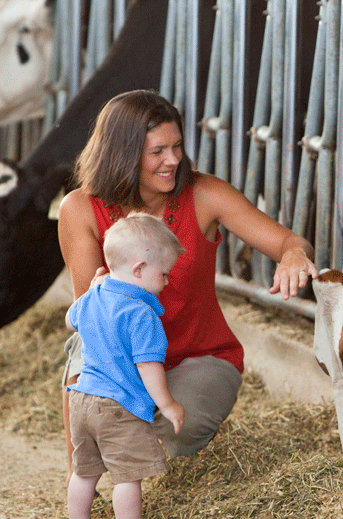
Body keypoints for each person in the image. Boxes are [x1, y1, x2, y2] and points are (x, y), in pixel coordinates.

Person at [58, 89, 318, 474]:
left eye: (177, 146)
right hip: (121, 347)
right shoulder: (80, 208)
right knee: (84, 374)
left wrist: (294, 255)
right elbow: (96, 318)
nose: (174, 160)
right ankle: (84, 479)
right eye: (158, 151)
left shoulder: (205, 193)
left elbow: (288, 241)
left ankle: (158, 460)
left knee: (179, 429)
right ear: (123, 154)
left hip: (199, 355)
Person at [65, 212, 186, 519]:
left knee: (84, 469)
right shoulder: (140, 314)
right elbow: (148, 365)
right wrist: (167, 404)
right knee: (127, 476)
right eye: (163, 274)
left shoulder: (95, 295)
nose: (165, 281)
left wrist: (89, 291)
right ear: (138, 269)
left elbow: (70, 320)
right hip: (119, 407)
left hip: (82, 397)